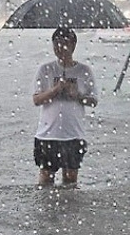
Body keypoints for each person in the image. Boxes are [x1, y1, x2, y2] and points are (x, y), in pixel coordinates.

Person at [31, 24, 97, 188]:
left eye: (65, 43)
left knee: (70, 180)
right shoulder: (45, 69)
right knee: (45, 180)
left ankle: (68, 205)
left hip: (74, 134)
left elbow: (93, 101)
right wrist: (55, 90)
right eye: (57, 44)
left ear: (74, 45)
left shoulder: (84, 71)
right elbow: (36, 100)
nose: (60, 48)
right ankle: (47, 204)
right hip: (47, 135)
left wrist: (77, 95)